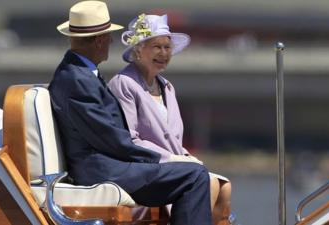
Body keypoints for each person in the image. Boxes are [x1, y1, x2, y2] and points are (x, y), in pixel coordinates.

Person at [48, 1, 213, 225]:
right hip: (102, 170)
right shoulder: (77, 79)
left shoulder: (79, 73)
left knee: (193, 173)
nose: (111, 41)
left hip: (109, 163)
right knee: (194, 177)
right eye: (108, 36)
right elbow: (110, 138)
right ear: (98, 40)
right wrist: (160, 159)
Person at [108, 13, 233, 225]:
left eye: (167, 48)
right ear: (139, 50)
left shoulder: (166, 86)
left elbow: (174, 140)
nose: (164, 53)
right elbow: (129, 140)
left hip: (176, 167)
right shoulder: (124, 84)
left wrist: (185, 157)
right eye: (157, 47)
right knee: (207, 183)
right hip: (145, 168)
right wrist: (175, 160)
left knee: (224, 186)